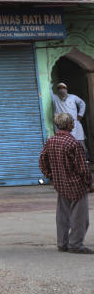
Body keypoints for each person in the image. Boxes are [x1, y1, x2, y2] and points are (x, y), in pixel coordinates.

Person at [39, 113, 93, 254]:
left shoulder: (50, 141)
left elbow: (42, 162)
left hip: (60, 184)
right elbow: (82, 169)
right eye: (72, 122)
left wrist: (51, 176)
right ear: (69, 125)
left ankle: (62, 244)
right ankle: (75, 245)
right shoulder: (73, 143)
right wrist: (90, 183)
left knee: (63, 216)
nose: (73, 124)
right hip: (77, 186)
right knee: (79, 217)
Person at [52, 83, 88, 160]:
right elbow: (48, 91)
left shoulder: (73, 97)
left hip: (75, 124)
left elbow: (82, 104)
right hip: (62, 125)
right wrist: (50, 84)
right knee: (64, 143)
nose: (61, 89)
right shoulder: (55, 98)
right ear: (57, 90)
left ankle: (84, 160)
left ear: (66, 89)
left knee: (79, 142)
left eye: (63, 87)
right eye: (59, 88)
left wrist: (80, 115)